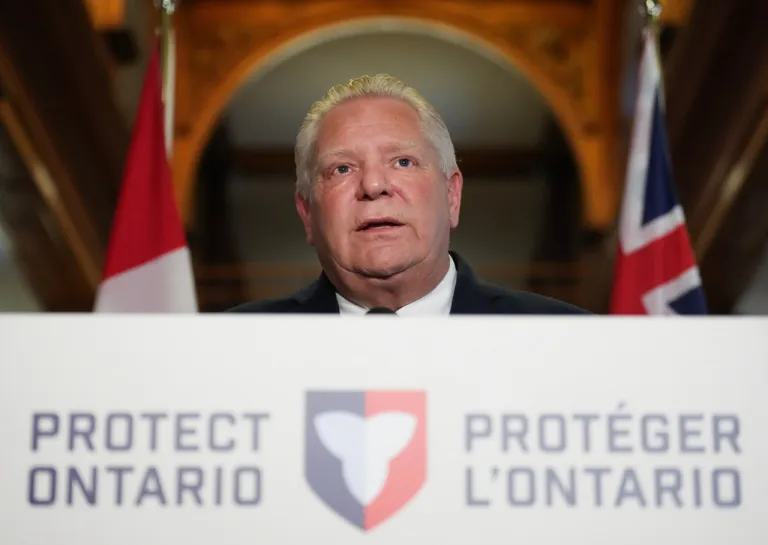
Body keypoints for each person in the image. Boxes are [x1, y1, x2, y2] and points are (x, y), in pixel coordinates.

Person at [230, 74, 588, 315]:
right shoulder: (228, 348)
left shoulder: (571, 340)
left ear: (452, 196)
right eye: (342, 169)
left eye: (402, 162)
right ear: (307, 213)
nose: (373, 186)